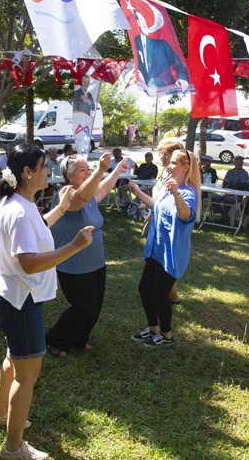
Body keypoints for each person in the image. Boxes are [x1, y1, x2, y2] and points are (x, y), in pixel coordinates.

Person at [0, 143, 93, 460]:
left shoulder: (20, 202)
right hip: (22, 302)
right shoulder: (19, 210)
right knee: (26, 377)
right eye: (44, 166)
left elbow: (37, 230)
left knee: (13, 359)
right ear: (27, 172)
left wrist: (60, 209)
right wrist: (74, 246)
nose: (49, 171)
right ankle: (13, 449)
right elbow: (29, 262)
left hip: (11, 297)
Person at [45, 152, 129, 357]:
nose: (87, 173)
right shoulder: (66, 192)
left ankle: (79, 339)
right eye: (82, 170)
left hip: (96, 262)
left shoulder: (90, 193)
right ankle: (54, 340)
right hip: (74, 264)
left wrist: (117, 170)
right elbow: (79, 199)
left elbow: (103, 189)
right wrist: (100, 170)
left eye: (88, 169)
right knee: (83, 305)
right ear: (69, 176)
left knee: (95, 304)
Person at [128, 147, 201, 347]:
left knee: (160, 295)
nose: (169, 166)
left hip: (172, 253)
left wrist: (177, 193)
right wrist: (138, 192)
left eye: (174, 163)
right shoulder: (168, 188)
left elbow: (186, 215)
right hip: (156, 249)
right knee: (145, 289)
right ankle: (153, 329)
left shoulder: (188, 193)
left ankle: (167, 335)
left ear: (186, 167)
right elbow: (156, 206)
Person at [130, 138, 185, 304]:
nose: (161, 157)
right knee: (156, 259)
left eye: (165, 154)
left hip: (166, 226)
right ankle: (169, 293)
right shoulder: (165, 172)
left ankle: (170, 295)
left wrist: (140, 195)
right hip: (156, 219)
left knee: (164, 261)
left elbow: (169, 205)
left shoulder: (178, 179)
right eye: (160, 153)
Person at [132, 10, 190, 92]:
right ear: (136, 22)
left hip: (167, 89)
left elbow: (178, 65)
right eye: (141, 20)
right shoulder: (135, 43)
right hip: (145, 93)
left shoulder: (161, 44)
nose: (145, 24)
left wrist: (183, 79)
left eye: (145, 20)